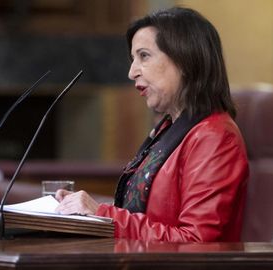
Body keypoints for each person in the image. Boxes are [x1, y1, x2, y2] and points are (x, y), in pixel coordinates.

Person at [55, 6, 249, 242]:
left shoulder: (215, 136)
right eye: (133, 59)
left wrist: (102, 214)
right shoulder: (169, 128)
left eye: (144, 56)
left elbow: (197, 242)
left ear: (185, 60)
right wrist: (87, 211)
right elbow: (147, 215)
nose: (132, 72)